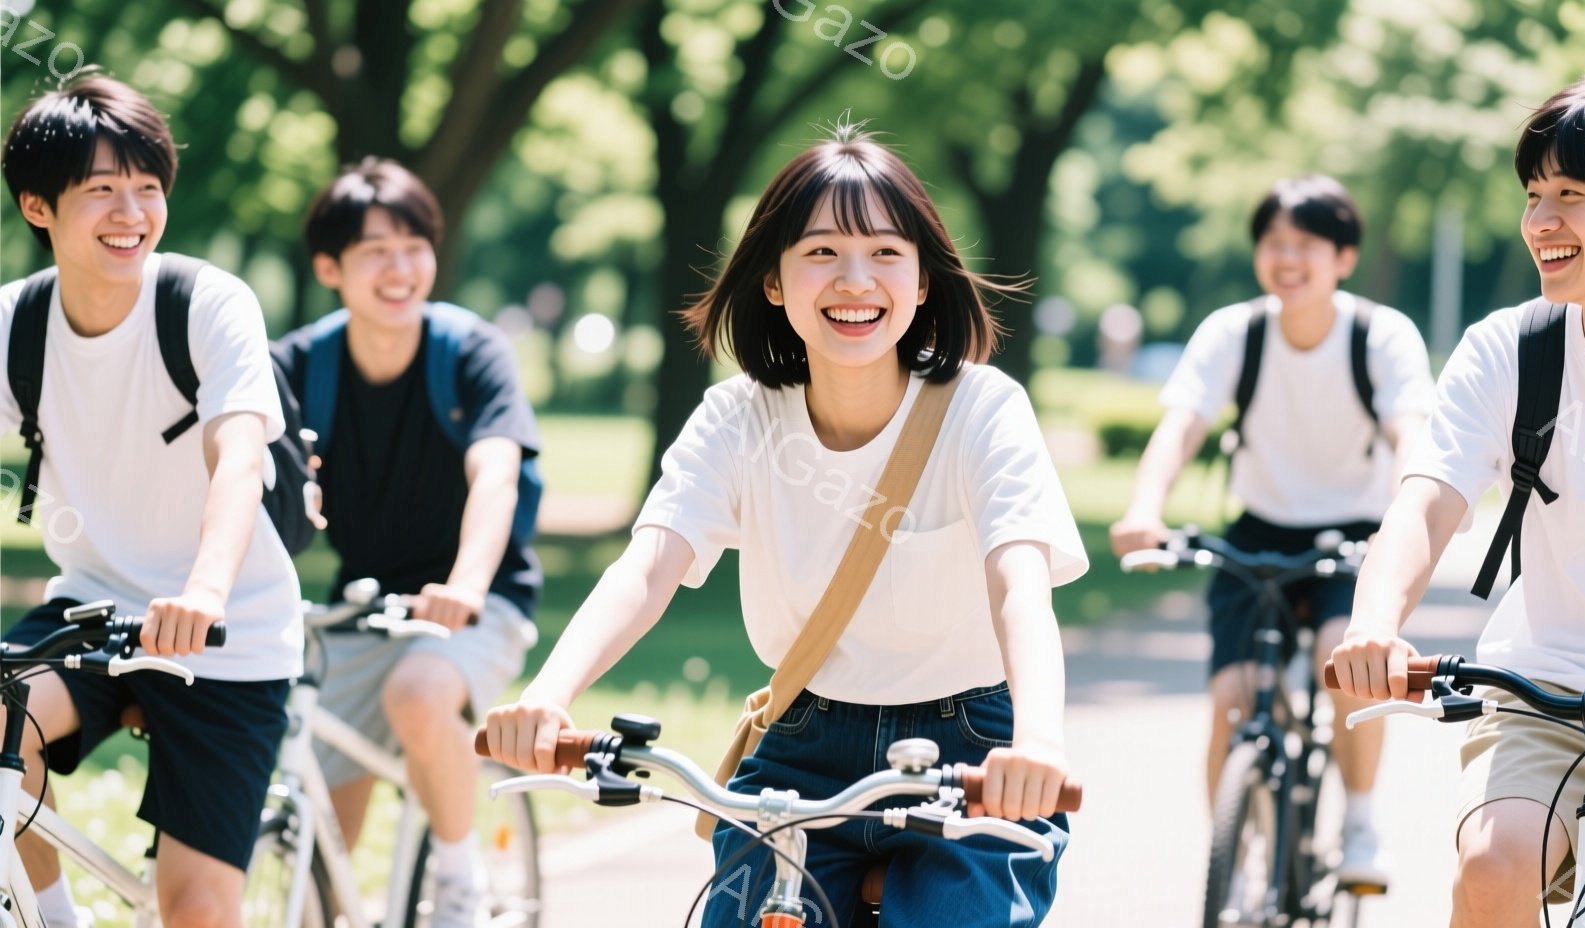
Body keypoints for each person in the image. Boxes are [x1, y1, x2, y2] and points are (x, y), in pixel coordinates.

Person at [483, 124, 1085, 926]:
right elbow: (650, 565)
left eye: (884, 253)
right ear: (773, 279)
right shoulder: (736, 417)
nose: (854, 280)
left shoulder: (982, 409)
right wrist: (549, 696)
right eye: (822, 252)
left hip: (973, 746)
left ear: (922, 279)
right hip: (804, 743)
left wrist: (1038, 743)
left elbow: (1020, 588)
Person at [1330, 67, 1585, 927]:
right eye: (1532, 195)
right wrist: (1375, 621)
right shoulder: (1513, 349)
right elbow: (1430, 496)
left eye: (1571, 195)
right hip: (1541, 681)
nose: (1539, 222)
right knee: (1490, 866)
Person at [0, 75, 301, 927]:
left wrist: (204, 592)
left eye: (146, 187)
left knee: (196, 909)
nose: (130, 211)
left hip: (228, 633)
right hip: (90, 612)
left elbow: (239, 459)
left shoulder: (205, 303)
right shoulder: (14, 325)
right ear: (37, 207)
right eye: (100, 190)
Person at [1110, 175, 1435, 886]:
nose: (1287, 259)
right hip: (1256, 531)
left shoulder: (1380, 335)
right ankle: (1238, 857)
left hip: (1353, 534)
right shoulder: (1236, 331)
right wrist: (1144, 507)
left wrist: (1402, 523)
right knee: (1233, 700)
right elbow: (1184, 423)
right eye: (1273, 243)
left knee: (1343, 657)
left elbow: (1410, 432)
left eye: (1306, 244)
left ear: (1344, 257)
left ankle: (1358, 821)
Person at [270, 157, 541, 927]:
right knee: (321, 836)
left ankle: (461, 882)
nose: (402, 267)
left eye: (415, 244)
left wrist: (466, 583)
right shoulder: (295, 367)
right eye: (376, 250)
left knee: (419, 696)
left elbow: (497, 474)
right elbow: (247, 480)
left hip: (475, 600)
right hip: (359, 606)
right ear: (330, 267)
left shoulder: (470, 352)